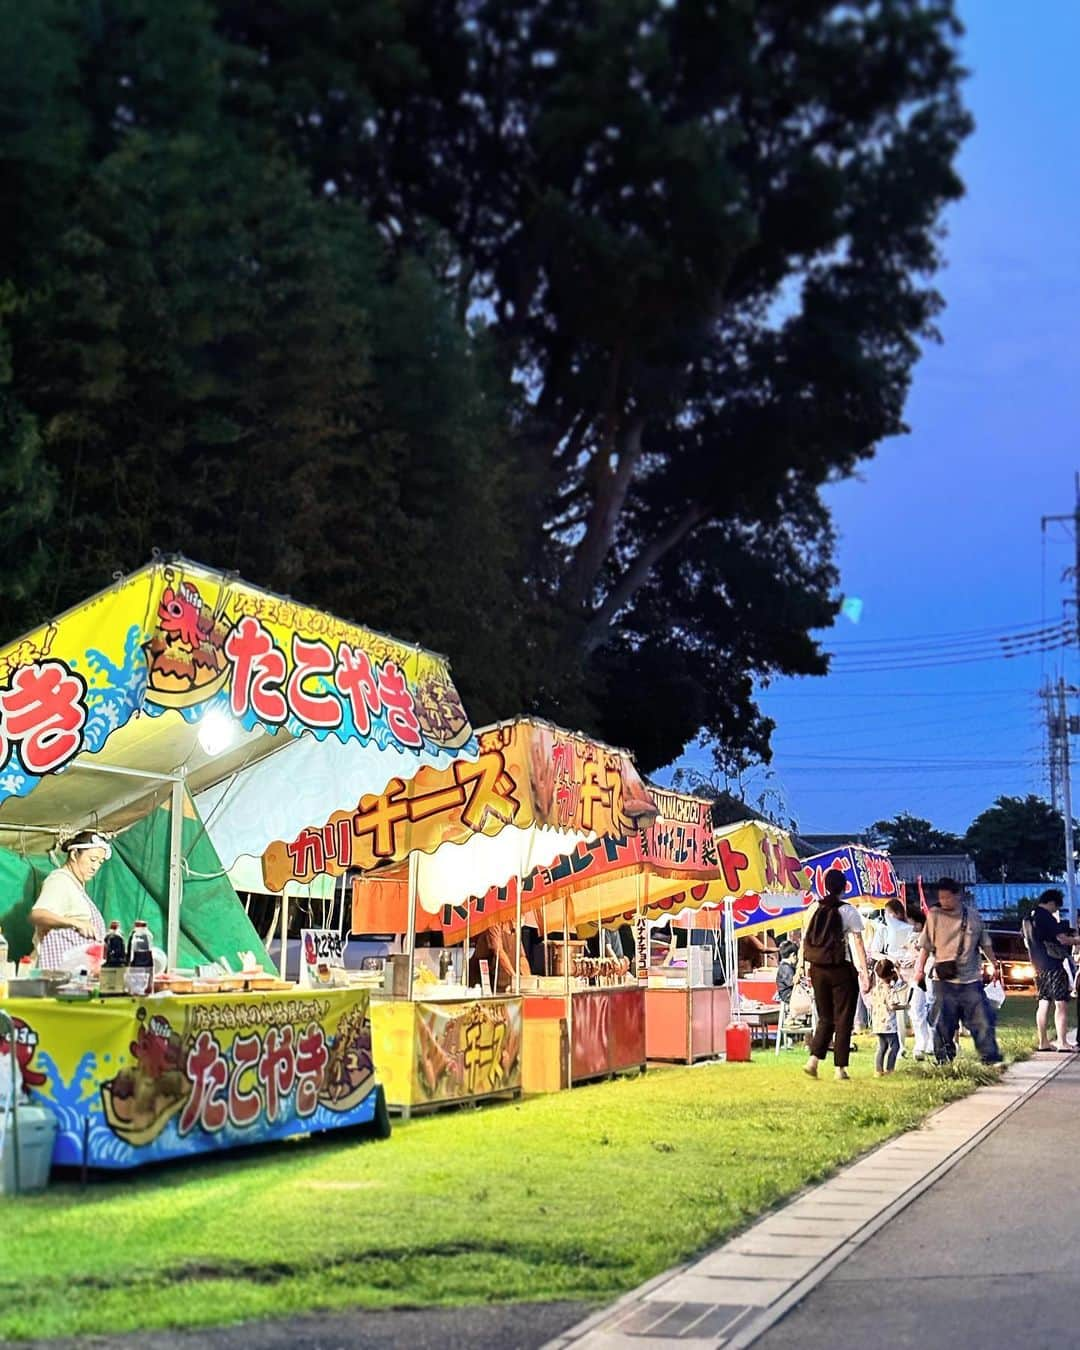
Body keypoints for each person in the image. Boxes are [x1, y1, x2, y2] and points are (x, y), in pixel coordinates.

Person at [912, 877, 1002, 1065]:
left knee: (981, 1019)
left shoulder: (973, 917)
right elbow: (925, 945)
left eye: (948, 897)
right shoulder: (934, 915)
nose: (944, 901)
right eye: (941, 898)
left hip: (970, 978)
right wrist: (919, 970)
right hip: (943, 979)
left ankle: (990, 1057)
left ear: (957, 896)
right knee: (942, 1022)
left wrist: (994, 963)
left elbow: (984, 943)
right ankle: (944, 1058)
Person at [796, 868, 870, 1081]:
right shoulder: (848, 911)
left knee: (825, 1017)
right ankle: (840, 1068)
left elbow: (804, 939)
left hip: (817, 968)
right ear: (845, 887)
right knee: (844, 1018)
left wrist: (801, 965)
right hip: (841, 969)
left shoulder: (813, 908)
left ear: (824, 885)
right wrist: (864, 972)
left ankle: (813, 1060)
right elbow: (857, 943)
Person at [30, 830, 111, 968]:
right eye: (92, 860)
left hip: (76, 975)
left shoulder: (76, 885)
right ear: (74, 855)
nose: (95, 867)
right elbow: (37, 914)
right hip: (56, 974)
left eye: (100, 862)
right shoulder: (60, 880)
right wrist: (75, 923)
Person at [1024, 889, 1080, 1052]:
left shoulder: (1028, 917)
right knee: (1061, 1003)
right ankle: (1062, 1042)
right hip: (1052, 963)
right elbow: (1062, 939)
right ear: (1051, 903)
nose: (1056, 911)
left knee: (1043, 1001)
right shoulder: (1046, 917)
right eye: (1056, 908)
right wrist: (1077, 940)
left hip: (1037, 964)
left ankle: (1043, 1042)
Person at [872, 899, 916, 1053]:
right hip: (889, 974)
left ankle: (919, 1044)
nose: (889, 916)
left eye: (891, 913)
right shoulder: (883, 929)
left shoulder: (910, 928)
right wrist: (890, 959)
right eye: (886, 913)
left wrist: (910, 958)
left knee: (914, 1008)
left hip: (908, 971)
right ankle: (899, 1046)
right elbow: (875, 952)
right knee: (894, 1011)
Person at [905, 915, 934, 1060]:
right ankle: (921, 1042)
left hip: (931, 973)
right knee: (916, 1008)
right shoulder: (912, 936)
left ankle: (932, 1043)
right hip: (917, 975)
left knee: (931, 1007)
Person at [870, 958, 904, 1076]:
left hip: (878, 1023)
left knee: (882, 1047)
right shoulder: (889, 990)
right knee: (895, 1046)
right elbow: (892, 1006)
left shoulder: (876, 989)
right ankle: (890, 1068)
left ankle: (878, 1070)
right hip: (889, 1024)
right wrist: (904, 1007)